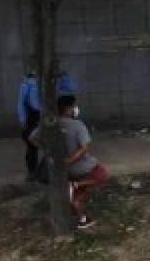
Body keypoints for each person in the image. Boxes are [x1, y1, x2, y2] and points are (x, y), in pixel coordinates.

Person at [30, 94, 108, 230]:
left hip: (64, 171)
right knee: (101, 174)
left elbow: (32, 138)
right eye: (74, 106)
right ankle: (74, 185)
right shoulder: (77, 125)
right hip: (81, 167)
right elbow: (85, 148)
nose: (75, 109)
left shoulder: (50, 123)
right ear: (68, 108)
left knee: (79, 195)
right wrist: (69, 161)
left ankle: (83, 218)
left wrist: (48, 150)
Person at [17, 69, 77, 181]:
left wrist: (64, 76)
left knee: (60, 141)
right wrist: (23, 119)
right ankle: (32, 171)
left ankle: (60, 168)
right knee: (32, 145)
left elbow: (71, 88)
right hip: (35, 114)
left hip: (54, 112)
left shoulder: (56, 79)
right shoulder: (29, 81)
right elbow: (21, 102)